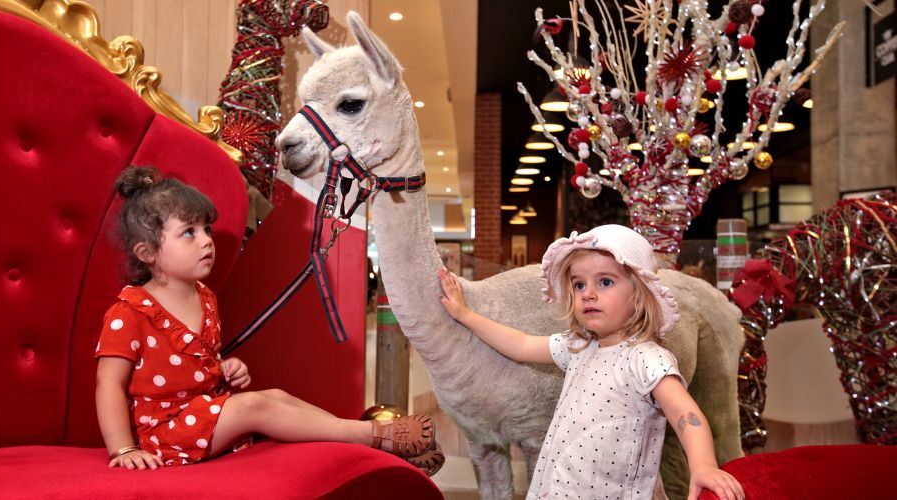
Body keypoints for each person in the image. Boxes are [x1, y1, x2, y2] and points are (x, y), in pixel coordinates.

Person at [95, 166, 441, 474]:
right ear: (148, 253)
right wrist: (123, 449)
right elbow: (108, 385)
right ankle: (370, 435)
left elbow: (198, 363)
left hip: (203, 416)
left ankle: (363, 442)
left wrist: (226, 366)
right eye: (189, 232)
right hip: (166, 433)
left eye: (207, 230)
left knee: (275, 394)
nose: (206, 241)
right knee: (255, 405)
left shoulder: (206, 298)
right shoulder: (130, 311)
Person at [437, 224, 744, 500]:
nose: (588, 294)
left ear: (640, 295)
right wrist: (466, 316)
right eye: (579, 284)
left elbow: (686, 415)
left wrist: (704, 466)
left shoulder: (645, 358)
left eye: (605, 282)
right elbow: (520, 344)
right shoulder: (579, 348)